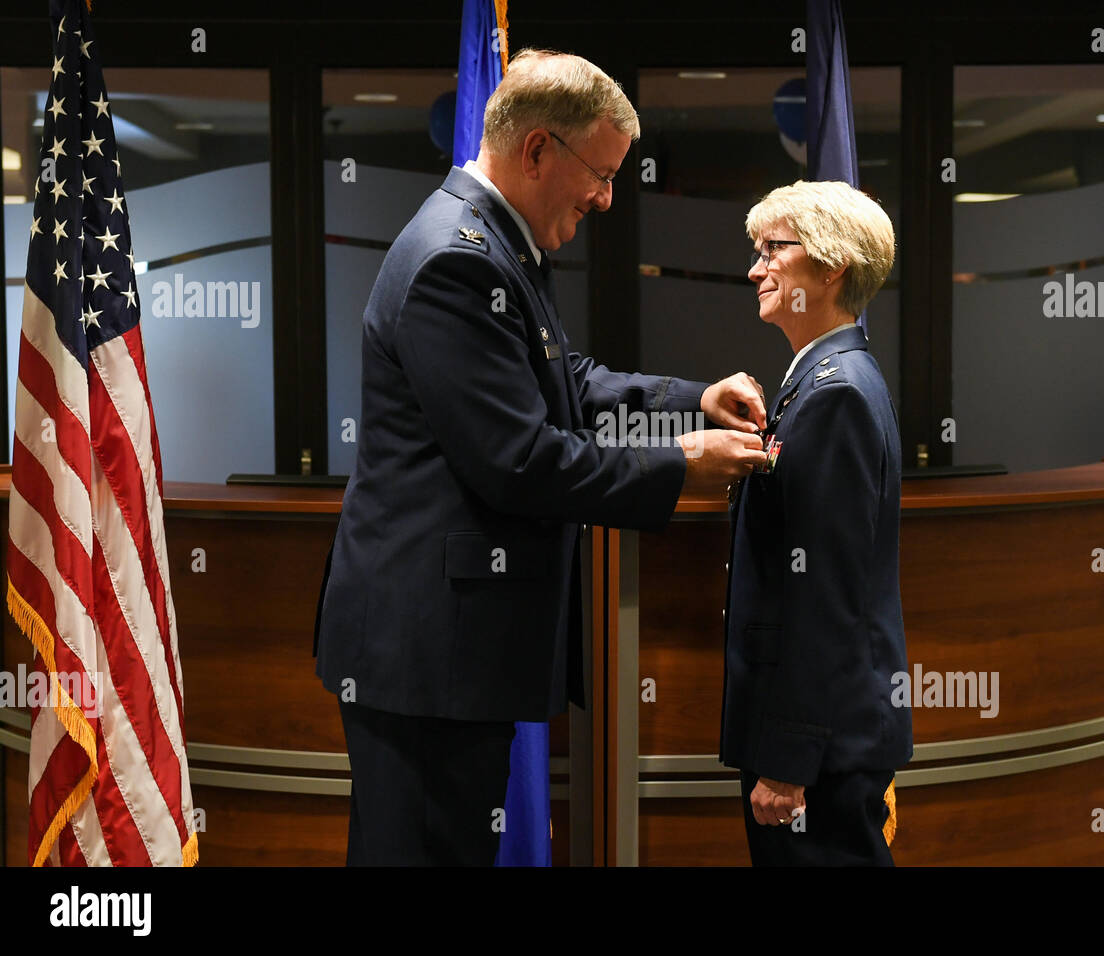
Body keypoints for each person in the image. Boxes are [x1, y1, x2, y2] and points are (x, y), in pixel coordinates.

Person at [313, 49, 769, 866]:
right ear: (536, 152)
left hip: (446, 655)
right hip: (427, 660)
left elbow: (569, 380)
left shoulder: (497, 243)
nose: (605, 196)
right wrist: (680, 467)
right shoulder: (459, 259)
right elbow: (520, 461)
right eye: (599, 173)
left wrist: (688, 402)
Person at [722, 179, 912, 866]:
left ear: (831, 267)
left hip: (818, 747)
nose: (755, 269)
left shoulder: (834, 395)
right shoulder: (823, 379)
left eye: (773, 249)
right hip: (818, 737)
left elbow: (824, 596)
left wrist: (788, 758)